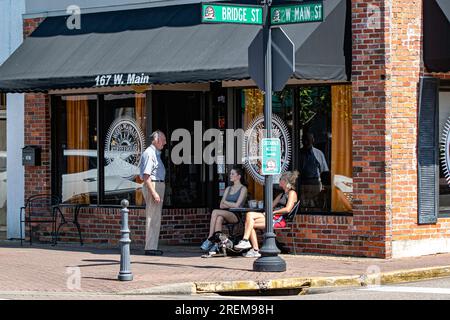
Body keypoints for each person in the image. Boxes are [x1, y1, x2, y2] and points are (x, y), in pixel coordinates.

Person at [234, 171, 299, 258]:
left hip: (280, 219)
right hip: (273, 216)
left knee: (249, 215)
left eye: (280, 179)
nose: (279, 181)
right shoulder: (281, 194)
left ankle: (246, 241)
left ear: (285, 181)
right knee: (250, 223)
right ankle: (255, 249)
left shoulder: (292, 193)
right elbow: (270, 206)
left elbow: (287, 209)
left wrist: (272, 212)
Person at [200, 167, 248, 252]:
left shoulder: (243, 189)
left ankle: (210, 238)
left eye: (233, 174)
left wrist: (226, 202)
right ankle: (217, 244)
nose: (230, 175)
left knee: (215, 211)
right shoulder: (228, 188)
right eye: (230, 174)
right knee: (219, 218)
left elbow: (237, 206)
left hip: (236, 215)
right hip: (225, 212)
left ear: (239, 176)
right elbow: (221, 205)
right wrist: (230, 204)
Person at [140, 130, 167, 256]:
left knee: (155, 218)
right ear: (156, 140)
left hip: (158, 184)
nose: (165, 143)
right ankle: (150, 247)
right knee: (152, 217)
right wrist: (154, 193)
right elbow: (146, 177)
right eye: (163, 140)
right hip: (154, 185)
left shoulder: (155, 153)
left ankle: (152, 246)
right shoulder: (149, 153)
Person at [299, 133, 329, 208]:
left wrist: (324, 186)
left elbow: (324, 170)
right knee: (303, 203)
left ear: (313, 140)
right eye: (304, 140)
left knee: (314, 203)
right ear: (302, 141)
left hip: (314, 183)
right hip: (301, 182)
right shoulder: (298, 153)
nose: (306, 142)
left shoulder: (318, 153)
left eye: (308, 140)